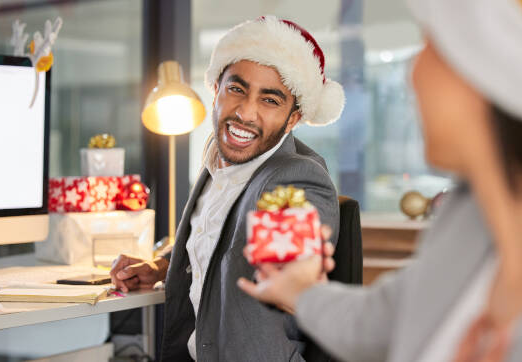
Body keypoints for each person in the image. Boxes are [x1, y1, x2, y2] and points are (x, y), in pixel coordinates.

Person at [238, 0, 522, 361]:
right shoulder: (464, 225)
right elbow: (376, 323)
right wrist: (298, 289)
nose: (414, 73)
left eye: (433, 46)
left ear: (492, 75)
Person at [110, 16, 345, 361]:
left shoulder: (295, 176)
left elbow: (289, 264)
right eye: (237, 89)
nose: (245, 113)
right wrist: (162, 265)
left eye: (270, 100)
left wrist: (294, 267)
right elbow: (223, 238)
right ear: (216, 87)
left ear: (294, 118)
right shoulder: (218, 162)